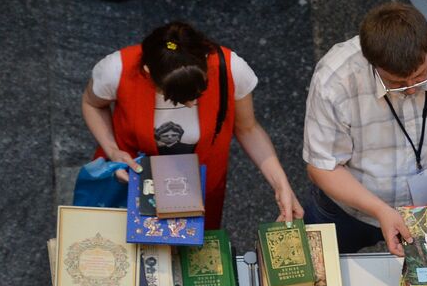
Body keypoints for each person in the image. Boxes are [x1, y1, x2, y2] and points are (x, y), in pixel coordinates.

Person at [302, 3, 427, 256]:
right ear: (372, 64)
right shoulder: (334, 80)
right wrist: (380, 210)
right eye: (396, 83)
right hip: (351, 208)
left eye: (421, 76)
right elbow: (323, 166)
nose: (411, 89)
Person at [82, 20, 303, 227]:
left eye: (198, 93)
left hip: (199, 185)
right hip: (132, 179)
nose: (190, 104)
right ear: (148, 73)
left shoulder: (230, 68)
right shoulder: (117, 69)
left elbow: (248, 128)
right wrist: (112, 150)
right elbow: (92, 104)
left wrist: (281, 184)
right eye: (177, 97)